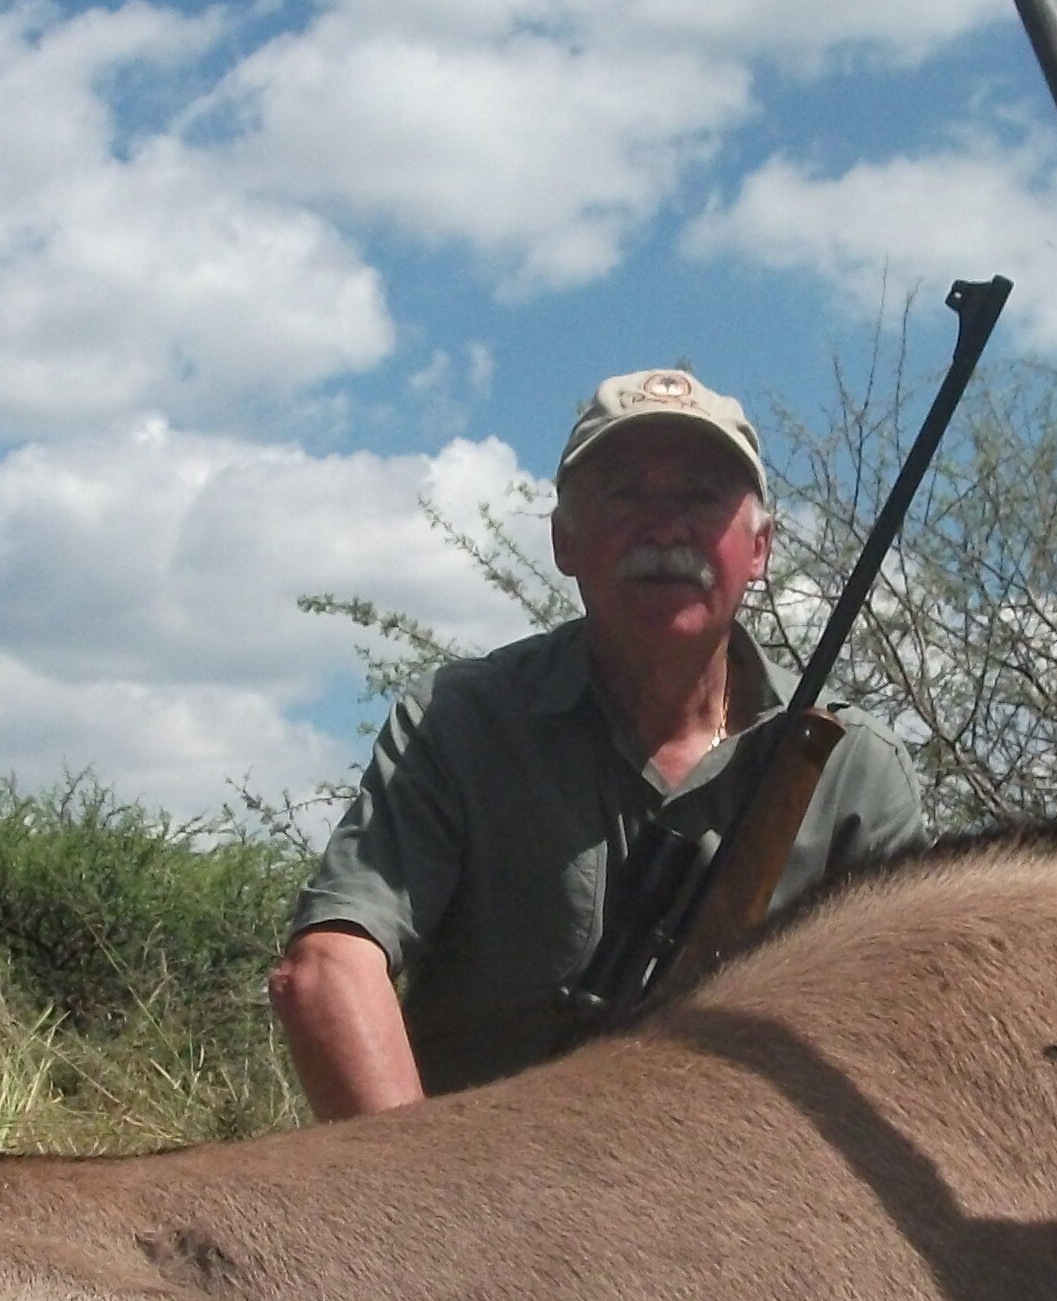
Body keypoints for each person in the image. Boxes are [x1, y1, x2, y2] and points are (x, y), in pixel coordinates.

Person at [270, 366, 925, 1117]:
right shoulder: (461, 721)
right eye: (624, 493)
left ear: (760, 549)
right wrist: (426, 1215)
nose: (665, 527)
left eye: (701, 496)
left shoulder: (851, 768)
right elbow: (328, 969)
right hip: (484, 1192)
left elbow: (905, 1039)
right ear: (564, 540)